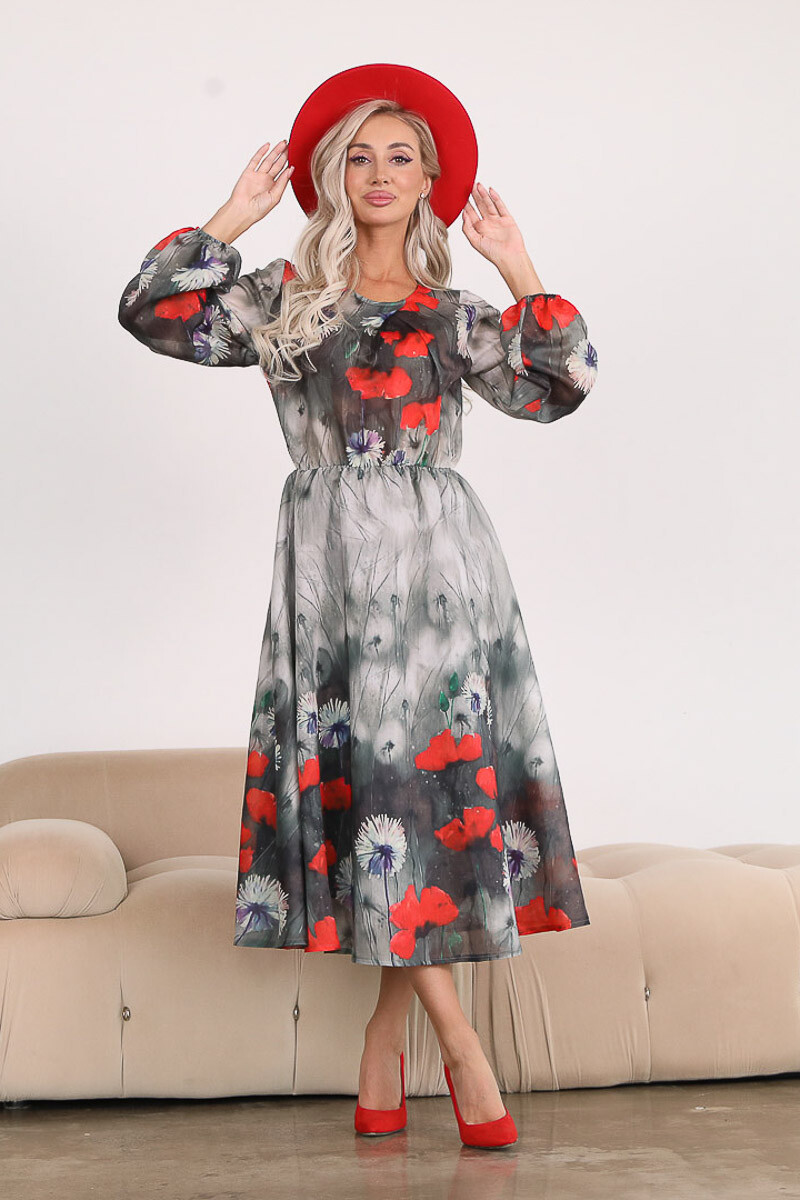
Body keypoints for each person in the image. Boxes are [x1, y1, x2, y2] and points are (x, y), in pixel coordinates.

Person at [118, 63, 598, 1149]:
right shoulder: (288, 299)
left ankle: (387, 1050)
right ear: (333, 175)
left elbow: (558, 385)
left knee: (421, 794)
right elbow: (151, 312)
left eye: (401, 156)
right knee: (381, 793)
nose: (379, 173)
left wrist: (516, 262)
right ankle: (456, 1048)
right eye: (360, 156)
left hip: (441, 581)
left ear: (429, 180)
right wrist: (232, 215)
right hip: (333, 579)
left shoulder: (451, 313)